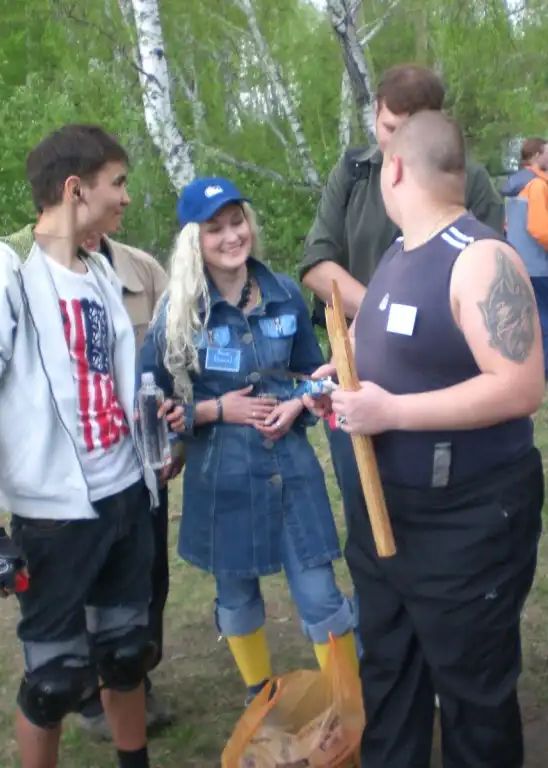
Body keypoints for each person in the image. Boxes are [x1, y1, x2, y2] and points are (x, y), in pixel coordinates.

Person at [304, 110, 545, 768]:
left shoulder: (481, 258)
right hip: (385, 511)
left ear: (396, 170)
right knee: (389, 672)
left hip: (465, 519)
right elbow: (393, 351)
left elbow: (520, 387)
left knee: (473, 690)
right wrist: (344, 376)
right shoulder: (397, 253)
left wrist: (393, 412)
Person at [0, 124, 161, 768]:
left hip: (126, 496)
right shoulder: (3, 268)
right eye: (117, 183)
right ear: (74, 189)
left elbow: (105, 381)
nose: (125, 198)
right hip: (54, 518)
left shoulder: (100, 271)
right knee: (54, 681)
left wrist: (151, 424)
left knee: (126, 656)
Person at [298, 63, 504, 655]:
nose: (396, 147)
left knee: (435, 534)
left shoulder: (469, 180)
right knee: (367, 517)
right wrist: (384, 312)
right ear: (375, 116)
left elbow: (481, 280)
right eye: (388, 128)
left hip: (438, 388)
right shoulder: (355, 171)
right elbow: (317, 265)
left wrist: (398, 316)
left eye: (409, 131)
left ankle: (443, 643)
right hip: (356, 373)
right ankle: (384, 647)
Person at [139, 177, 358, 705]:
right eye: (215, 229)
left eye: (237, 222)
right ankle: (259, 698)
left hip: (292, 473)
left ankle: (350, 703)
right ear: (195, 241)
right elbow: (150, 402)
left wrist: (299, 403)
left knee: (321, 595)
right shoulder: (179, 313)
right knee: (236, 597)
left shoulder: (283, 292)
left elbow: (314, 375)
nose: (231, 236)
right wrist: (215, 410)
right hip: (223, 480)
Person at [75, 231, 179, 736]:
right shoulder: (30, 271)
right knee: (86, 578)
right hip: (79, 469)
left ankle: (135, 680)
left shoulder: (143, 271)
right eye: (114, 191)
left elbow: (178, 357)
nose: (124, 198)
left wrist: (175, 439)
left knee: (148, 575)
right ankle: (90, 693)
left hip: (144, 462)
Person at [500, 137, 548, 389]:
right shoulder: (536, 186)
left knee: (526, 319)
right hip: (540, 265)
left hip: (518, 261)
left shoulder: (516, 185)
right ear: (536, 156)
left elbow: (508, 224)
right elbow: (540, 229)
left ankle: (525, 370)